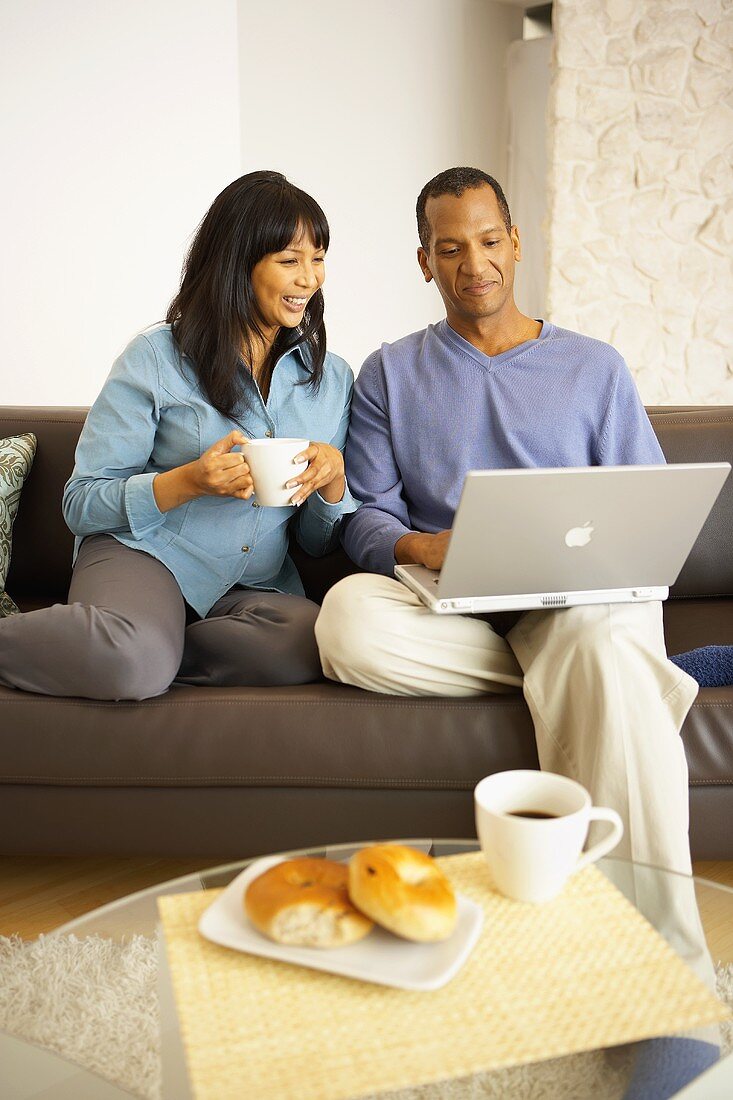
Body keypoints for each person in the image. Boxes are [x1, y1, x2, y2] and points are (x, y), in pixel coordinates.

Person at [315, 166, 699, 879]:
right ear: (426, 261)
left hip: (574, 606)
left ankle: (656, 943)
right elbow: (364, 520)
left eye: (488, 240)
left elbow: (643, 513)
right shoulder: (388, 373)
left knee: (600, 632)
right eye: (451, 248)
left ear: (515, 243)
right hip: (451, 606)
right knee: (344, 622)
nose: (474, 263)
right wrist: (424, 545)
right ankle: (586, 677)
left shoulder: (594, 368)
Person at [0, 171, 358, 700]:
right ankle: (139, 646)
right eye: (290, 260)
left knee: (317, 641)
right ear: (238, 263)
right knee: (132, 663)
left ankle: (152, 643)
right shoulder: (156, 357)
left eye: (318, 258)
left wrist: (333, 481)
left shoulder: (330, 381)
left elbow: (315, 541)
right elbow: (80, 503)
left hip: (250, 585)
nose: (310, 278)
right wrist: (187, 482)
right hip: (145, 555)